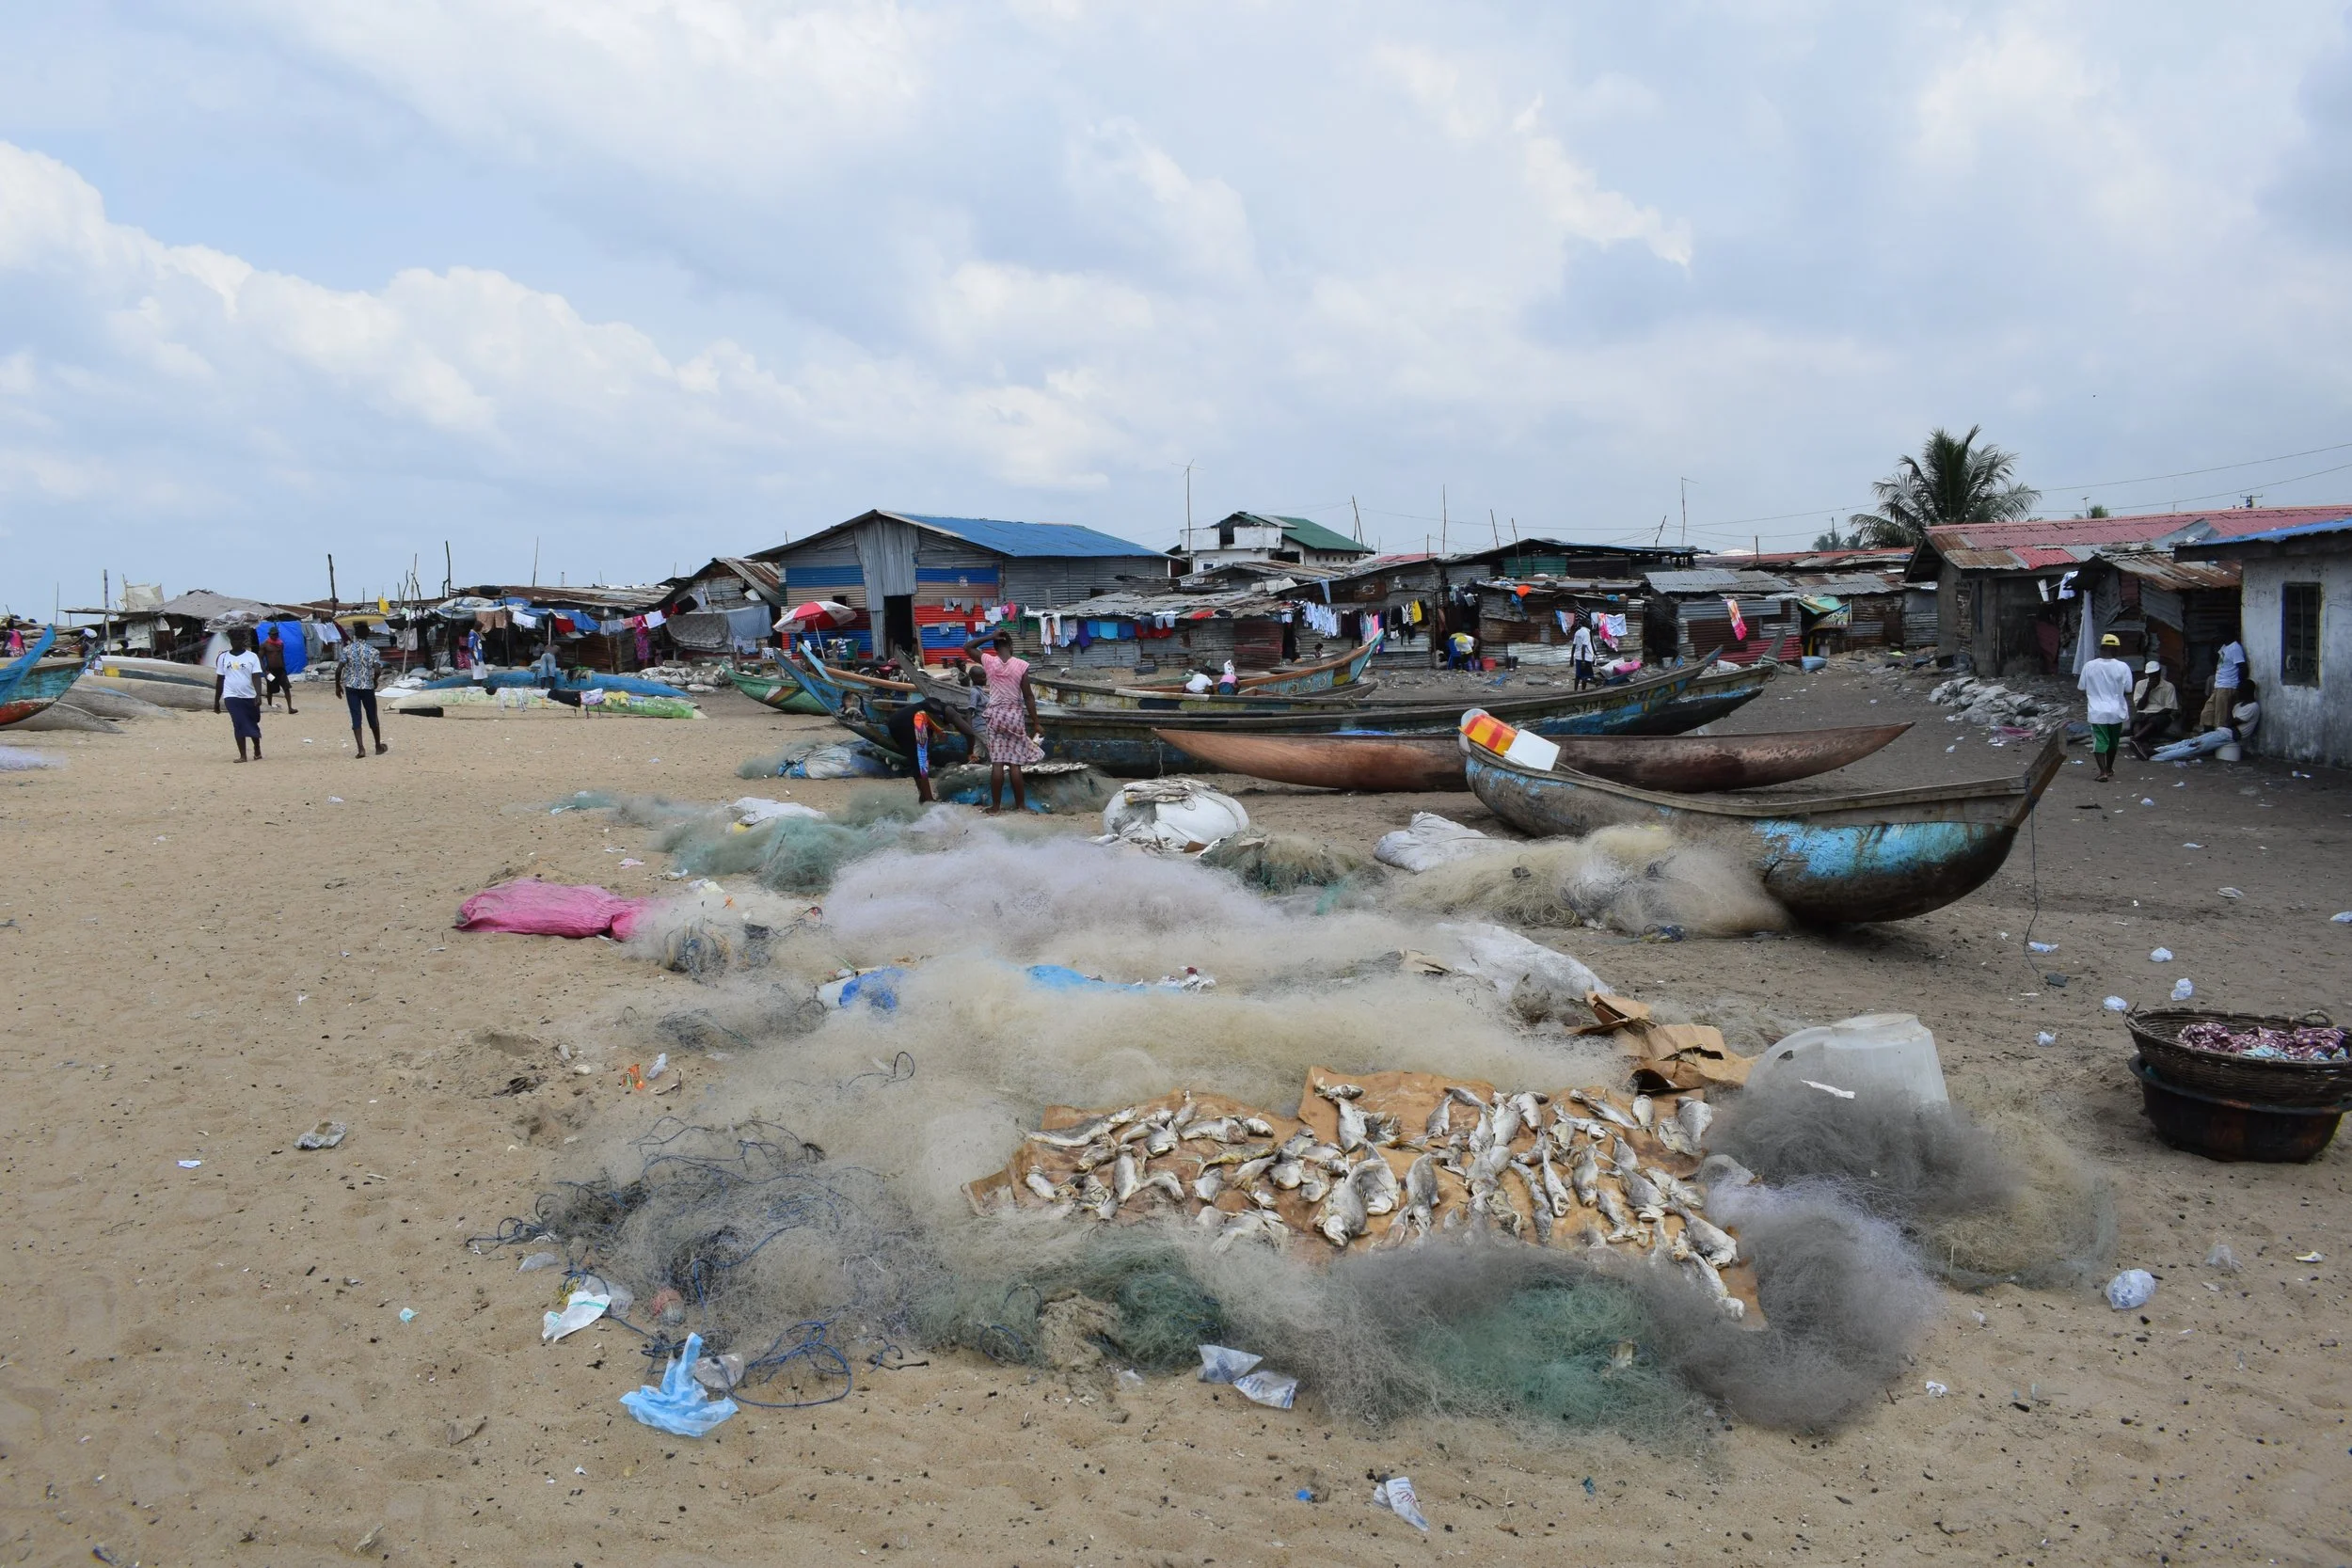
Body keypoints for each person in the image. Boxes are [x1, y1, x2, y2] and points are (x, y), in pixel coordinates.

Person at [962, 628, 1042, 813]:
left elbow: (967, 647)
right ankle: (1021, 806)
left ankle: (996, 807)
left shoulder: (989, 661)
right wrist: (1036, 722)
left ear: (995, 647)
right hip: (1014, 716)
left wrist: (990, 636)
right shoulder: (1021, 665)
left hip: (995, 715)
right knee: (1015, 763)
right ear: (1011, 647)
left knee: (997, 763)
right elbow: (1028, 697)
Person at [2077, 632, 2134, 782]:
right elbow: (2128, 690)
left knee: (2100, 741)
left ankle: (2102, 772)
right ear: (2116, 650)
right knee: (2113, 742)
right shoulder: (2123, 667)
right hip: (2117, 711)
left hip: (2097, 711)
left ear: (2101, 648)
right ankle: (2109, 768)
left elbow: (2081, 687)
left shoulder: (2089, 666)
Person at [214, 626, 265, 762]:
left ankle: (257, 748)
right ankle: (243, 755)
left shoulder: (252, 657)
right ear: (230, 641)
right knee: (238, 723)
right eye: (233, 640)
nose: (235, 642)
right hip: (231, 696)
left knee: (252, 722)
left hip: (250, 696)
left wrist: (258, 695)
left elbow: (256, 677)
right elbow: (220, 680)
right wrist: (216, 701)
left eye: (238, 639)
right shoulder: (223, 657)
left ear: (243, 641)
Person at [337, 620, 387, 758]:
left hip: (351, 687)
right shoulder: (373, 651)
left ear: (355, 634)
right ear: (367, 634)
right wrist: (375, 680)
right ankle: (377, 746)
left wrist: (337, 686)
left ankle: (361, 749)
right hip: (367, 687)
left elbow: (339, 669)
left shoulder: (347, 650)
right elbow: (377, 669)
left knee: (356, 716)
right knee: (372, 715)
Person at [2127, 658, 2179, 760]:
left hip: (2160, 713)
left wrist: (2153, 714)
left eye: (2155, 674)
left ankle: (2135, 739)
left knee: (2154, 721)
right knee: (2137, 720)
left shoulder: (2168, 686)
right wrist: (2148, 689)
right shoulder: (2140, 684)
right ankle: (2143, 745)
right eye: (2150, 675)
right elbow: (2140, 707)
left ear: (2159, 673)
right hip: (2144, 711)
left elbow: (2169, 708)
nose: (2152, 677)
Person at [2201, 635, 2248, 729]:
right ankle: (2209, 738)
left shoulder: (2235, 648)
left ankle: (2219, 740)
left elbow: (2242, 667)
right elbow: (2215, 662)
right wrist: (2211, 645)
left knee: (2221, 719)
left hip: (2227, 686)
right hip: (2219, 685)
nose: (2217, 635)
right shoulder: (2225, 647)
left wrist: (2239, 685)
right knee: (2207, 714)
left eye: (2219, 633)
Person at [258, 626, 298, 713]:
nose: (275, 636)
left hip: (281, 670)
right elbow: (260, 658)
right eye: (273, 634)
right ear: (269, 634)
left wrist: (284, 668)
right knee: (270, 690)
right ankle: (269, 707)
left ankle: (290, 708)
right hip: (270, 671)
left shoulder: (280, 644)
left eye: (276, 634)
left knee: (286, 688)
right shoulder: (265, 645)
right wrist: (265, 671)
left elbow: (281, 657)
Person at [1569, 619, 1597, 691]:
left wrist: (1571, 657)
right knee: (1585, 676)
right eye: (1588, 622)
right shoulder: (1586, 633)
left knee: (1578, 675)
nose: (1590, 623)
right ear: (1585, 623)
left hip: (1578, 657)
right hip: (1586, 657)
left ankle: (1575, 691)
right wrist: (1584, 661)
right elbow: (1583, 647)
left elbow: (1574, 645)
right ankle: (1583, 691)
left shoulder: (1577, 632)